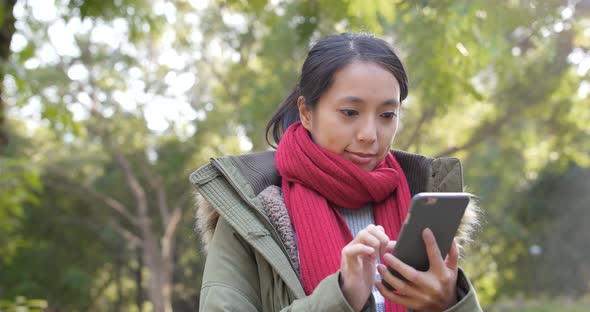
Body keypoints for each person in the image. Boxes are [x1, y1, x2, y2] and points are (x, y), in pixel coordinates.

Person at [191, 32, 482, 311]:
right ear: (306, 112)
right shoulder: (249, 213)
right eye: (350, 113)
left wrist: (450, 304)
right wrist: (341, 297)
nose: (370, 134)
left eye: (387, 115)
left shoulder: (421, 202)